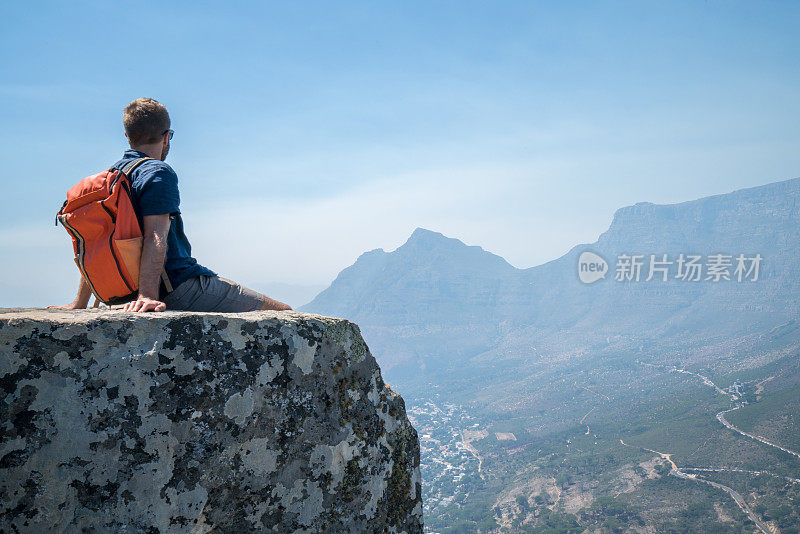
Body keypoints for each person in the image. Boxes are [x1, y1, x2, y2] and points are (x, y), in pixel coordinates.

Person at [50, 98, 291, 313]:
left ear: (127, 136)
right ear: (167, 136)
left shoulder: (110, 179)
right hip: (177, 286)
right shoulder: (157, 172)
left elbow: (96, 240)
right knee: (283, 312)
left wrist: (80, 303)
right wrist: (148, 296)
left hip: (124, 292)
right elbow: (156, 235)